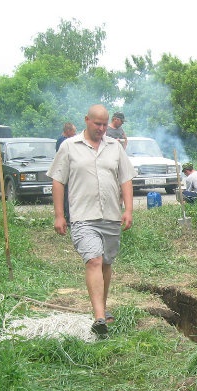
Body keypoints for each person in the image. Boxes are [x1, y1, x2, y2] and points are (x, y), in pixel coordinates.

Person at [47, 104, 134, 338]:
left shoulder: (115, 147)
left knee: (106, 263)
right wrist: (58, 215)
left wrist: (129, 210)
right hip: (83, 217)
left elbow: (126, 179)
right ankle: (98, 317)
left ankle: (101, 311)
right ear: (86, 120)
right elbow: (58, 180)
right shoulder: (69, 147)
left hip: (111, 216)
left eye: (105, 124)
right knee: (94, 260)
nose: (102, 128)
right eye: (98, 124)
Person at [55, 122, 77, 224]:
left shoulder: (64, 140)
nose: (75, 133)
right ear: (68, 131)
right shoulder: (63, 142)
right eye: (73, 131)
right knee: (67, 195)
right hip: (65, 172)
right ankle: (68, 218)